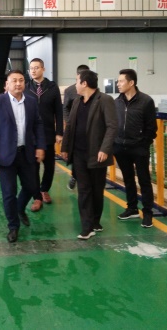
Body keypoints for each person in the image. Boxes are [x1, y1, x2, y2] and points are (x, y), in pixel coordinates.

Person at [0, 70, 46, 243]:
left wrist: (40, 146)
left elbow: (38, 125)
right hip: (6, 155)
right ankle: (13, 226)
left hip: (27, 153)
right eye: (14, 81)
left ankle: (19, 208)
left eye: (21, 80)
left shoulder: (31, 102)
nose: (18, 84)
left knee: (32, 187)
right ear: (7, 84)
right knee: (8, 193)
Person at [60, 69, 117, 240]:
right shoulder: (77, 101)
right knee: (84, 190)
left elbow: (112, 126)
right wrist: (65, 147)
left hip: (96, 154)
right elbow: (70, 125)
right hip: (78, 153)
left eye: (77, 81)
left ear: (84, 83)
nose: (75, 84)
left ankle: (95, 221)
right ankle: (87, 226)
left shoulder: (104, 100)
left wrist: (104, 149)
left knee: (97, 190)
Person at [114, 68, 158, 228]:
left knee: (144, 180)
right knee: (128, 179)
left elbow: (151, 128)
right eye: (118, 81)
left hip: (139, 148)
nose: (118, 84)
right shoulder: (117, 102)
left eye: (121, 81)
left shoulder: (146, 101)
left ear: (131, 82)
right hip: (120, 148)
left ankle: (148, 213)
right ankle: (132, 208)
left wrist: (143, 143)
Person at [25, 58, 63, 211]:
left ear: (43, 69)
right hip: (31, 134)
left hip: (48, 133)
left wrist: (59, 132)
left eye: (36, 67)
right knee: (33, 167)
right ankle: (36, 197)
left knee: (49, 165)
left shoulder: (52, 87)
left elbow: (59, 112)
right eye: (31, 68)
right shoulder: (26, 87)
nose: (33, 71)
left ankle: (44, 189)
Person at [63, 64, 89, 190]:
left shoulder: (93, 90)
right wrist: (70, 122)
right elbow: (65, 108)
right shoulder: (70, 91)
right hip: (75, 129)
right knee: (76, 155)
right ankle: (74, 176)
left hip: (90, 129)